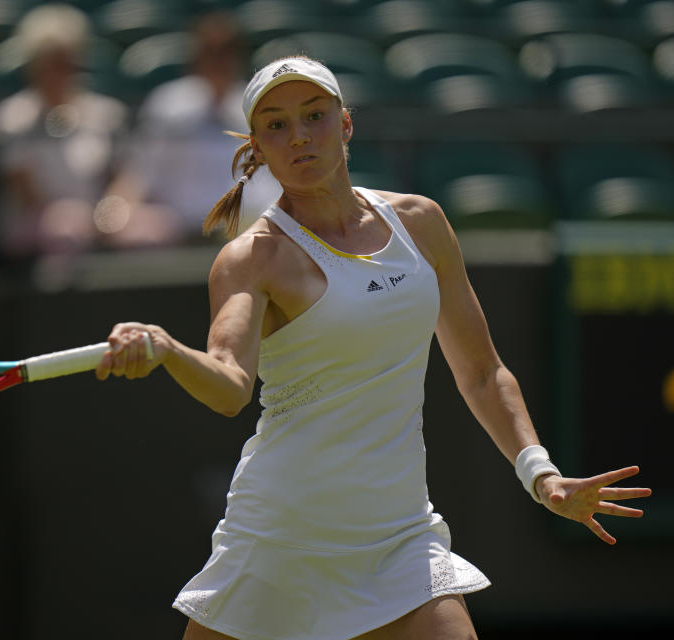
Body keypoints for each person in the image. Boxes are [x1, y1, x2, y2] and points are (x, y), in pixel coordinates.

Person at [95, 57, 652, 639]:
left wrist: (542, 475)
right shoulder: (252, 257)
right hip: (281, 538)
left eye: (315, 116)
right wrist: (165, 350)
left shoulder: (422, 222)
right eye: (278, 125)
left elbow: (484, 373)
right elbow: (230, 384)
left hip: (401, 538)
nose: (301, 136)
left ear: (346, 124)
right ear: (257, 147)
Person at [100, 10, 279, 247]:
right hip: (175, 228)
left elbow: (273, 180)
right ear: (197, 57)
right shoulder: (169, 103)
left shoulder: (257, 105)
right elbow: (140, 173)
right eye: (210, 53)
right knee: (131, 230)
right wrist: (112, 213)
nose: (219, 62)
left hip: (245, 227)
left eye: (226, 52)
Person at [0, 3, 128, 258]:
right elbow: (26, 196)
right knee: (65, 231)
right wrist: (83, 219)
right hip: (35, 222)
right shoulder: (11, 118)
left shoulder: (105, 114)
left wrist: (107, 214)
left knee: (151, 228)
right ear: (34, 66)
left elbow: (121, 177)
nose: (61, 72)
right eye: (52, 63)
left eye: (68, 62)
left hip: (95, 219)